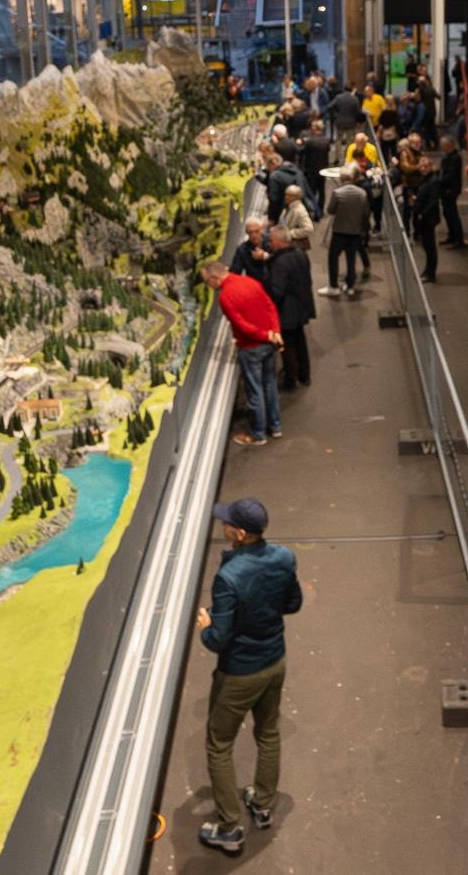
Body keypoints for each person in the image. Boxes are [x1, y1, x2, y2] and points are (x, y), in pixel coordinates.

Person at [195, 497, 303, 854]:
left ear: (239, 533)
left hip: (240, 672)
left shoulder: (227, 577)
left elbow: (218, 640)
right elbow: (292, 604)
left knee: (219, 745)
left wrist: (207, 626)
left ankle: (229, 828)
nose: (222, 527)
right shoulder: (284, 558)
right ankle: (262, 803)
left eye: (226, 523)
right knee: (268, 733)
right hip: (275, 662)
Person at [204, 259, 283, 447]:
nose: (208, 286)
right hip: (269, 343)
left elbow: (242, 326)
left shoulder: (225, 297)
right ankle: (275, 426)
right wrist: (275, 333)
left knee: (255, 391)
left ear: (215, 277)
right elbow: (270, 307)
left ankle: (258, 433)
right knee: (270, 384)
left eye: (207, 282)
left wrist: (265, 335)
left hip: (251, 347)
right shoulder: (250, 282)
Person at [263, 227, 314, 390]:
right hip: (301, 306)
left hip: (287, 311)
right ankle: (304, 375)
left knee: (287, 346)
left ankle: (290, 379)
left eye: (271, 240)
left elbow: (277, 290)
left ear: (279, 240)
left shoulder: (280, 262)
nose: (269, 243)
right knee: (300, 341)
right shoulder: (300, 254)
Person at [320, 166, 370, 298]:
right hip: (355, 232)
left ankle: (334, 286)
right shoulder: (362, 193)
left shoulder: (337, 193)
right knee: (351, 259)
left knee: (333, 258)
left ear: (341, 178)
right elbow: (366, 213)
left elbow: (330, 210)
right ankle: (350, 286)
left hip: (339, 231)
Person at [435, 136, 466, 249]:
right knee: (448, 214)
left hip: (450, 190)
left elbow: (452, 175)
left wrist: (439, 180)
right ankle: (452, 236)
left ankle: (458, 239)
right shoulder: (448, 157)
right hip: (446, 189)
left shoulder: (455, 158)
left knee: (452, 214)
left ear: (449, 146)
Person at [298, 118, 331, 215]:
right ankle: (320, 210)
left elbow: (301, 151)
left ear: (315, 128)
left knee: (311, 191)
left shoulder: (310, 142)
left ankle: (313, 210)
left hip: (310, 170)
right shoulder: (326, 140)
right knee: (322, 191)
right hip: (323, 169)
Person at [228, 217, 271, 289]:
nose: (254, 235)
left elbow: (281, 261)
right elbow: (235, 272)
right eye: (251, 232)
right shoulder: (242, 249)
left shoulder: (271, 242)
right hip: (254, 286)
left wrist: (265, 256)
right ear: (247, 233)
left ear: (261, 230)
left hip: (272, 285)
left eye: (256, 231)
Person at [276, 184, 313, 252]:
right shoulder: (289, 206)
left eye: (289, 195)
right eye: (286, 194)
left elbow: (309, 229)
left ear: (296, 197)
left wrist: (290, 234)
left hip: (291, 245)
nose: (286, 197)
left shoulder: (300, 211)